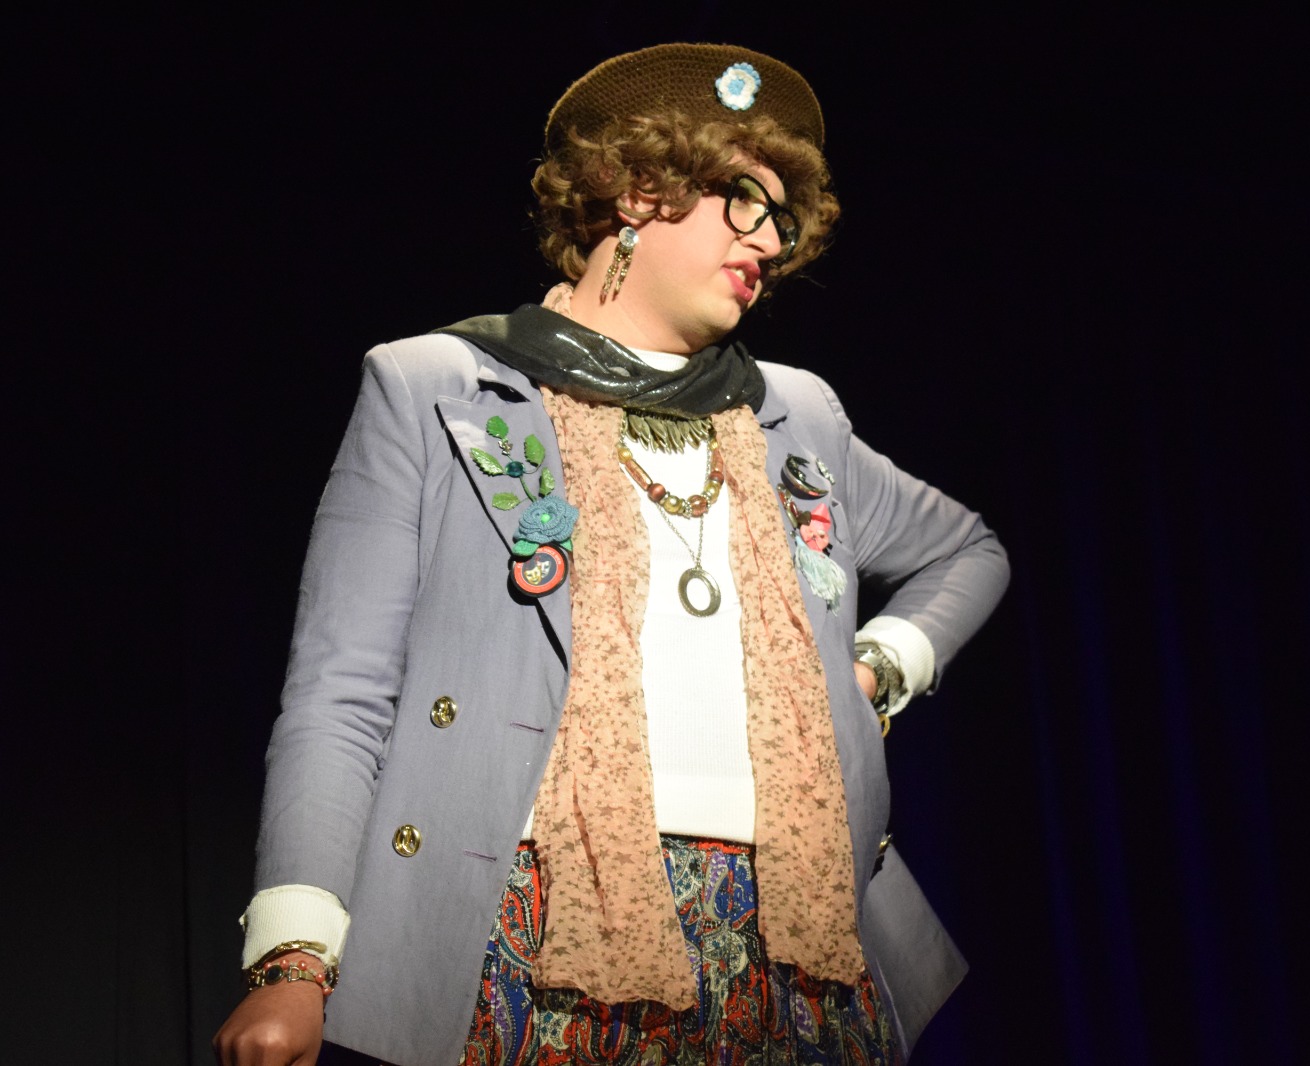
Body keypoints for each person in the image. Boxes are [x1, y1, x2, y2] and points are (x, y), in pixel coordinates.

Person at [214, 43, 1008, 1066]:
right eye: (744, 201)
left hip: (796, 944)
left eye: (784, 220)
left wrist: (875, 669)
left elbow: (967, 550)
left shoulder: (795, 413)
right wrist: (291, 959)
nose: (770, 242)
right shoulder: (440, 388)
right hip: (534, 932)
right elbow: (340, 693)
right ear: (638, 191)